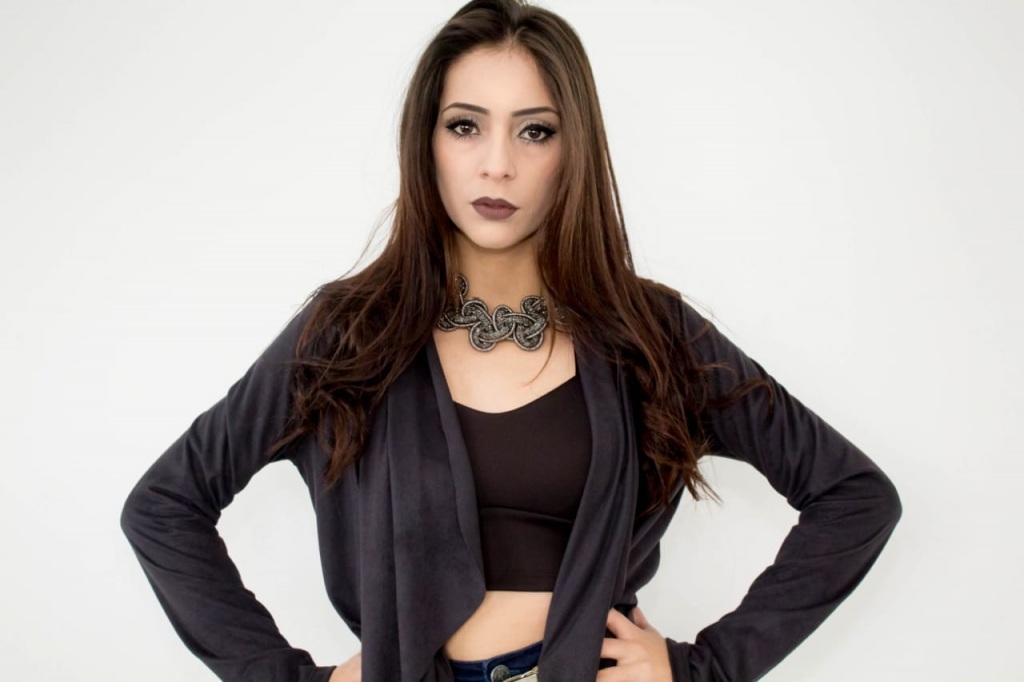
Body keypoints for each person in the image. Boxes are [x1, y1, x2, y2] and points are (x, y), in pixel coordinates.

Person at [120, 1, 902, 680]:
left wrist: (704, 668)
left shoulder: (651, 333)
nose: (497, 165)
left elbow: (854, 496)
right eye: (466, 126)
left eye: (535, 131)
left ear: (573, 151)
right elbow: (164, 506)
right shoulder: (348, 333)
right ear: (426, 141)